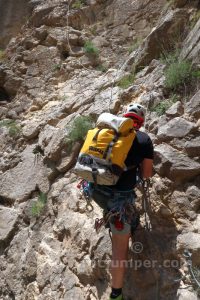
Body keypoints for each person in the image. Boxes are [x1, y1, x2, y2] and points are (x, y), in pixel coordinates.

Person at [90, 103, 154, 300]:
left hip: (96, 190)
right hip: (120, 201)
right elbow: (146, 174)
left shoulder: (109, 133)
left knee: (115, 211)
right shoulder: (144, 139)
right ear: (141, 122)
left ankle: (119, 219)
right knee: (120, 249)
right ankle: (116, 295)